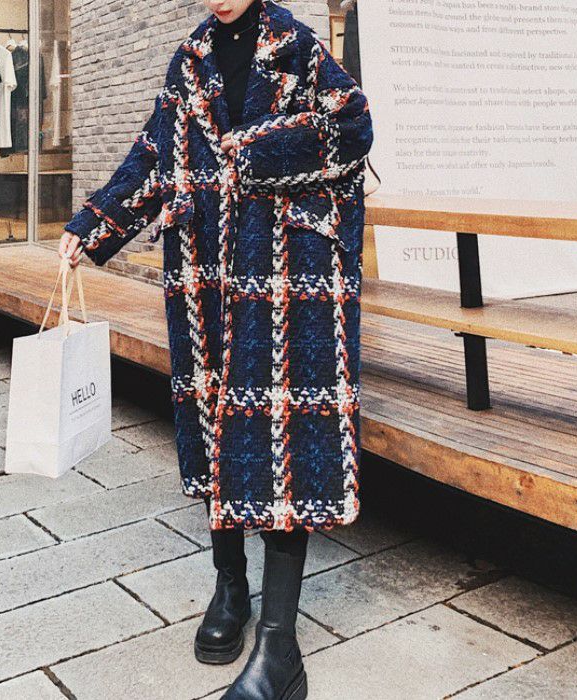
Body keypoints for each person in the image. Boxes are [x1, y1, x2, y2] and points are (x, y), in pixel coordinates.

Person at [59, 1, 373, 697]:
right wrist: (95, 222)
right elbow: (154, 152)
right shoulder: (189, 59)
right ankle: (230, 587)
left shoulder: (298, 48)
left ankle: (280, 646)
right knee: (213, 428)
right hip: (204, 265)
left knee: (287, 443)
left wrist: (248, 150)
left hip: (286, 270)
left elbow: (353, 128)